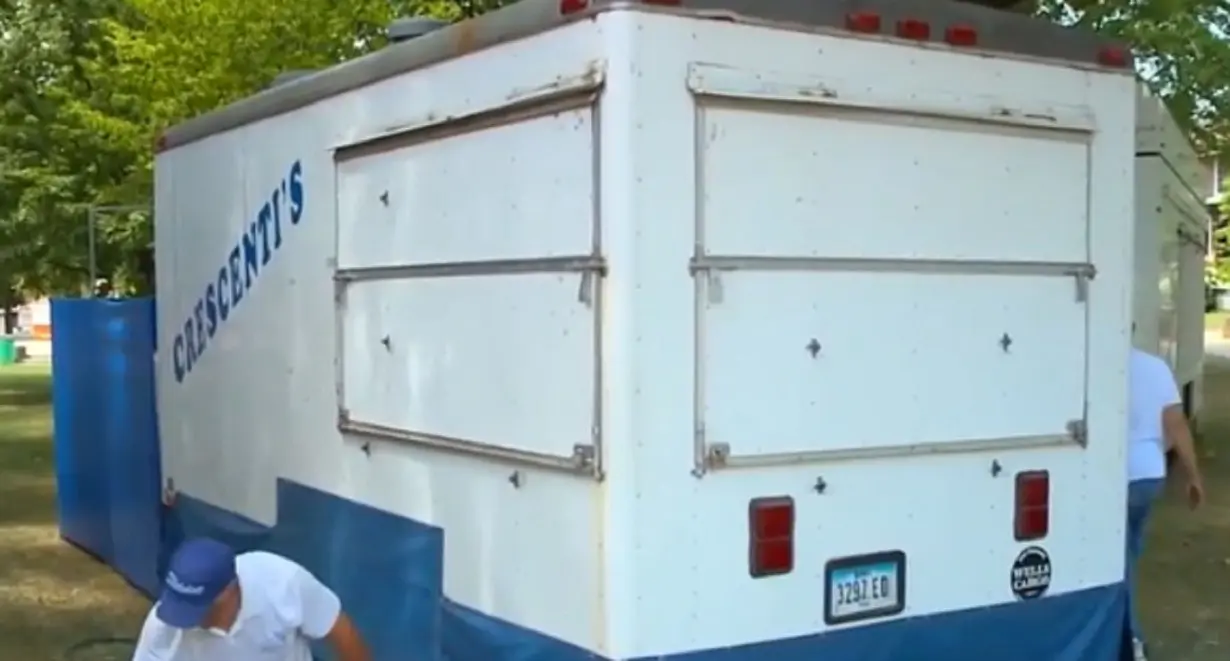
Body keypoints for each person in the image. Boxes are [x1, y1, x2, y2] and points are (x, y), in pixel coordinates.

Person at [132, 538, 371, 661]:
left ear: (229, 591)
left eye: (198, 607)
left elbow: (340, 631)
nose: (185, 619)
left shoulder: (282, 581)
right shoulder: (164, 622)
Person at [1125, 346, 1204, 661]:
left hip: (1114, 478)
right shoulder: (1155, 367)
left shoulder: (1093, 363)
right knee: (1129, 551)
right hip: (1148, 474)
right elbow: (1176, 423)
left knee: (1121, 562)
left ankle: (1132, 639)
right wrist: (1193, 476)